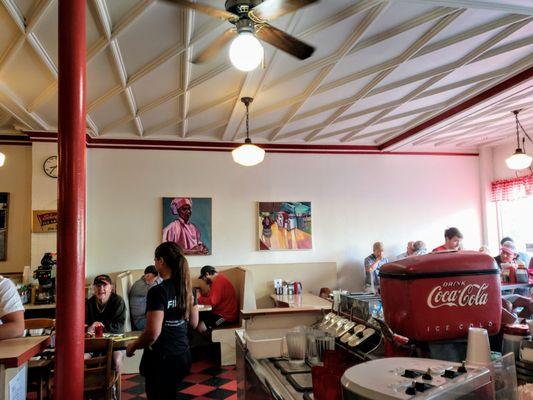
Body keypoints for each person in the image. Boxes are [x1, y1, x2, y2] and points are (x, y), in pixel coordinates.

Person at [126, 242, 199, 400]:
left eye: (155, 260)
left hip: (162, 360)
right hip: (182, 355)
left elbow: (152, 333)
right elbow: (194, 323)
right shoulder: (188, 288)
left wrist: (133, 346)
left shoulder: (158, 291)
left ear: (161, 261)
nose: (154, 263)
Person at [85, 274, 127, 371]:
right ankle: (87, 383)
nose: (101, 289)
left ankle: (114, 385)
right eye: (98, 286)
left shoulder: (118, 301)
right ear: (94, 288)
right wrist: (89, 328)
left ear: (111, 288)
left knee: (116, 360)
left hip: (115, 340)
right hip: (94, 341)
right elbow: (83, 325)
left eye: (104, 285)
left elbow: (119, 327)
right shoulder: (88, 304)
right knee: (81, 357)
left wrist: (98, 326)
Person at [197, 265, 238, 332]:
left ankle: (213, 341)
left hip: (226, 317)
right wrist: (202, 296)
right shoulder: (217, 280)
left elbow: (212, 302)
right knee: (199, 316)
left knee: (201, 327)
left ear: (207, 274)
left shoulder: (218, 282)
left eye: (203, 278)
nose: (203, 281)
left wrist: (199, 298)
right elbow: (212, 298)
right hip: (219, 312)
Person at [129, 265, 162, 330]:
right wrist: (159, 278)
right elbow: (152, 289)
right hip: (140, 321)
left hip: (146, 317)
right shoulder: (138, 285)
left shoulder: (146, 284)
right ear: (148, 276)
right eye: (154, 279)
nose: (155, 281)